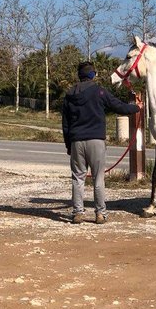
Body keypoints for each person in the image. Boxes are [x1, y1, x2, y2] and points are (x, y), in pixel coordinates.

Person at [62, 61, 140, 224]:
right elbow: (119, 107)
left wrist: (69, 145)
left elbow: (66, 124)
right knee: (98, 179)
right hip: (96, 141)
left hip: (77, 141)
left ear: (79, 75)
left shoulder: (69, 94)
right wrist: (137, 107)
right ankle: (100, 213)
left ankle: (78, 213)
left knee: (78, 178)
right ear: (93, 75)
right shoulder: (99, 92)